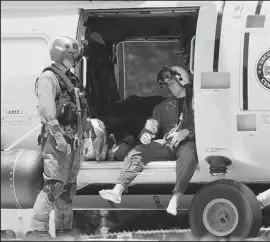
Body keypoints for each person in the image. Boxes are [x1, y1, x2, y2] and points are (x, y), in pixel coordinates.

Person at [99, 65, 198, 216]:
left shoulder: (198, 102)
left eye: (172, 84)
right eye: (167, 85)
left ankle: (176, 198)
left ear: (182, 80)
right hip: (168, 144)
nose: (169, 88)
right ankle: (117, 190)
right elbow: (153, 121)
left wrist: (187, 132)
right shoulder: (165, 105)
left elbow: (208, 125)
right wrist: (146, 132)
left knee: (189, 156)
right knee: (138, 151)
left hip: (188, 144)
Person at [30, 36, 92, 239]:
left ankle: (65, 232)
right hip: (58, 141)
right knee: (53, 187)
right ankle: (39, 232)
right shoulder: (49, 78)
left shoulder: (71, 80)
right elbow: (47, 111)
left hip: (73, 141)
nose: (75, 58)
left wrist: (85, 137)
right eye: (72, 54)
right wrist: (58, 136)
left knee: (67, 189)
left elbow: (80, 111)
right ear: (62, 53)